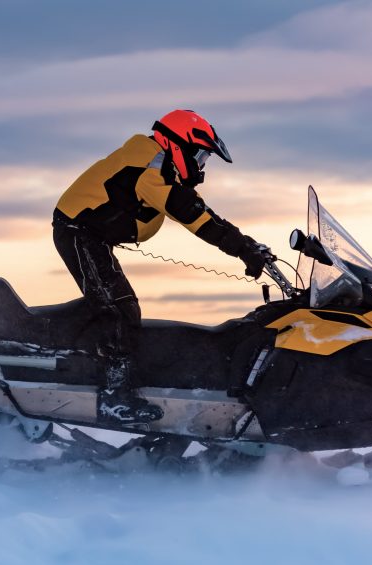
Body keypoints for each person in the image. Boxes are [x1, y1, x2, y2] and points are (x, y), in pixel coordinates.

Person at [53, 109, 271, 425]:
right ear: (177, 144)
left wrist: (247, 247)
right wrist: (245, 248)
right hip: (79, 233)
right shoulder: (152, 172)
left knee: (120, 305)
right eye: (199, 155)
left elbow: (197, 209)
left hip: (91, 234)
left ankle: (124, 378)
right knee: (119, 309)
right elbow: (198, 218)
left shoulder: (157, 161)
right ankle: (114, 398)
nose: (200, 165)